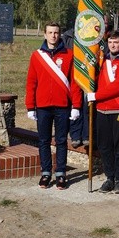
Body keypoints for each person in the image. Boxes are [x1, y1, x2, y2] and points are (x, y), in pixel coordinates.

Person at [25, 22, 82, 191]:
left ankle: (61, 173)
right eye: (50, 32)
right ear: (45, 34)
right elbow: (31, 82)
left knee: (62, 141)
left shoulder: (69, 55)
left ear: (60, 35)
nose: (53, 36)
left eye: (56, 33)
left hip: (62, 105)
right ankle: (46, 172)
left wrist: (76, 106)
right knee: (43, 140)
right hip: (42, 106)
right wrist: (30, 106)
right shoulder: (36, 56)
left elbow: (75, 83)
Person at [89, 31, 119, 194]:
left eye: (116, 42)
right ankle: (109, 177)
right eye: (110, 42)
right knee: (104, 146)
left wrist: (96, 95)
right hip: (102, 109)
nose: (113, 45)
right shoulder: (103, 59)